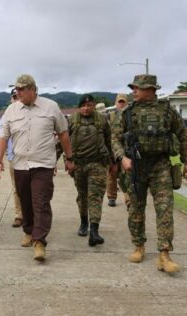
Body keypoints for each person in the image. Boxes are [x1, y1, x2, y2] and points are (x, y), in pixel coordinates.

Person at [111, 74, 187, 273]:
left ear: (151, 89)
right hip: (135, 167)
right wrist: (122, 157)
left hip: (160, 165)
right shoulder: (127, 113)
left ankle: (164, 254)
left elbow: (183, 136)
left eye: (138, 87)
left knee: (165, 209)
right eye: (133, 87)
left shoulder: (168, 112)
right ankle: (139, 245)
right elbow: (115, 139)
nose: (134, 90)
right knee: (136, 209)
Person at [0, 74, 74, 261]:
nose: (18, 92)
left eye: (21, 89)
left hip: (43, 164)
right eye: (16, 89)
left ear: (32, 89)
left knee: (41, 201)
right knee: (26, 202)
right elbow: (3, 137)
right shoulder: (11, 110)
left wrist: (69, 158)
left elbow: (63, 134)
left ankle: (39, 241)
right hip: (20, 165)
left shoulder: (51, 107)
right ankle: (29, 231)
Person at [68, 94, 114, 246]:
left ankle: (94, 231)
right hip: (79, 165)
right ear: (79, 106)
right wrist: (60, 162)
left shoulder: (101, 120)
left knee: (95, 196)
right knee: (82, 196)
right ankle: (83, 223)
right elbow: (63, 141)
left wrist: (114, 162)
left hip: (97, 164)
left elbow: (109, 141)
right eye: (83, 106)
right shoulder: (72, 120)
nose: (86, 108)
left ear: (94, 106)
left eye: (90, 105)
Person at [0, 88, 23, 227]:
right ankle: (19, 215)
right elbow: (1, 136)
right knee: (17, 188)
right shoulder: (7, 114)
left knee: (34, 190)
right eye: (14, 97)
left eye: (19, 96)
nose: (17, 99)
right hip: (14, 158)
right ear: (12, 99)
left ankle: (34, 215)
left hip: (33, 158)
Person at [106, 93, 130, 208]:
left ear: (127, 103)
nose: (121, 104)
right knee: (112, 174)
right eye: (119, 102)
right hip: (113, 149)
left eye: (123, 102)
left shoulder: (131, 116)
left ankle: (128, 198)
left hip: (127, 150)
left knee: (127, 174)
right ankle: (111, 197)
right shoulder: (110, 116)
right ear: (115, 103)